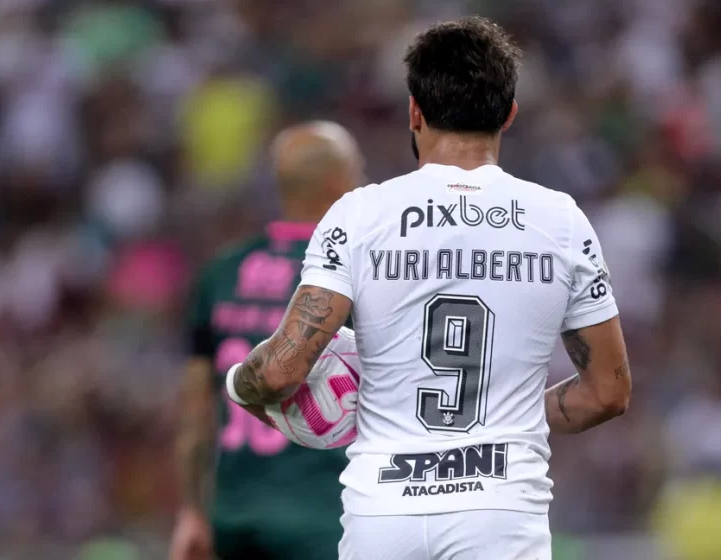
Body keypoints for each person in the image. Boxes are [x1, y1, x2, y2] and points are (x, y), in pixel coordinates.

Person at [226, 16, 632, 560]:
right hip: (501, 511)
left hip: (382, 513)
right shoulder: (560, 222)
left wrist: (237, 384)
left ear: (414, 110)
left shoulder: (360, 215)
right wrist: (507, 420)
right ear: (508, 113)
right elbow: (608, 392)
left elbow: (279, 370)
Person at [170, 121, 364, 560]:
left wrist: (192, 512)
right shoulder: (352, 274)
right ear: (340, 182)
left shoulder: (222, 271)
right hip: (326, 517)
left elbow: (196, 409)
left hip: (234, 517)